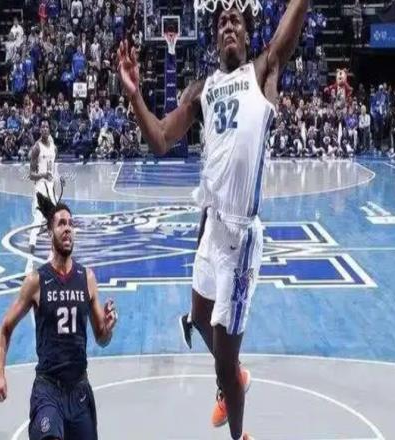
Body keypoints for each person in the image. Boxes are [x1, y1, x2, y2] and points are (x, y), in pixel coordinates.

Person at [118, 0, 308, 438]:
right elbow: (161, 138)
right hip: (211, 224)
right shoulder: (200, 90)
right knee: (199, 317)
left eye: (235, 21)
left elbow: (291, 24)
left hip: (241, 238)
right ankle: (235, 374)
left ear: (247, 34)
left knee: (223, 362)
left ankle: (239, 430)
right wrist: (134, 96)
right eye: (222, 21)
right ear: (214, 36)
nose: (228, 26)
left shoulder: (263, 71)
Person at [0, 192, 118, 440]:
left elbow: (102, 339)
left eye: (71, 224)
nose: (68, 229)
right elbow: (5, 327)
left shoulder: (87, 278)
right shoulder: (36, 281)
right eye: (61, 224)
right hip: (48, 389)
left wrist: (108, 327)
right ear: (50, 232)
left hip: (79, 389)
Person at [28, 119, 58, 258]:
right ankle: (31, 249)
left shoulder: (53, 147)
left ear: (49, 129)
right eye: (43, 126)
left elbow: (53, 170)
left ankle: (54, 250)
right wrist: (43, 175)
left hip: (50, 189)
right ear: (40, 129)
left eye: (47, 126)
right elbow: (31, 175)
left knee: (55, 219)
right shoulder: (36, 148)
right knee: (38, 220)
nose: (45, 128)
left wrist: (57, 180)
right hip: (40, 188)